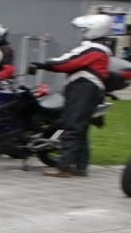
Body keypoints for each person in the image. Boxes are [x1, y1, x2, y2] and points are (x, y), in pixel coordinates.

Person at [29, 14, 113, 177]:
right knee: (80, 129)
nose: (82, 33)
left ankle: (64, 167)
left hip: (84, 90)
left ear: (93, 30)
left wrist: (43, 65)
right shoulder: (99, 48)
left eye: (84, 30)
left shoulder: (94, 49)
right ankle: (80, 166)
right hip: (86, 90)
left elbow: (67, 62)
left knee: (73, 127)